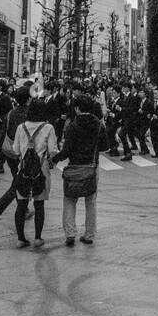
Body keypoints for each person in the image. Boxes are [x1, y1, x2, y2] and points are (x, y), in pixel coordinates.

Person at [54, 94, 103, 246]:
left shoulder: (73, 126)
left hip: (74, 167)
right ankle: (89, 234)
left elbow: (66, 150)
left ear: (76, 108)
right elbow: (106, 145)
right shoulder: (99, 125)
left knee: (70, 199)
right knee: (91, 201)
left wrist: (55, 159)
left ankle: (70, 233)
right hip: (92, 166)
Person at [10, 98, 59, 248]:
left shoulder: (21, 127)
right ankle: (38, 237)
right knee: (39, 203)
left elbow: (16, 150)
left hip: (24, 168)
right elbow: (52, 150)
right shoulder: (48, 127)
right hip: (41, 169)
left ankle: (21, 238)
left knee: (21, 204)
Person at [0, 87, 34, 233]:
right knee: (16, 186)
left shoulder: (10, 113)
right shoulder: (30, 114)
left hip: (10, 153)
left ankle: (24, 211)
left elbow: (3, 132)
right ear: (29, 99)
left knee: (17, 182)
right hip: (23, 156)